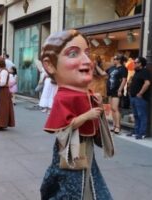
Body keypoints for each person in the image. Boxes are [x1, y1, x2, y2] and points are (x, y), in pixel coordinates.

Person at [40, 29, 114, 200]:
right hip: (72, 149)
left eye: (87, 53)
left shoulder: (85, 92)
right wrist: (87, 115)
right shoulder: (63, 96)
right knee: (72, 183)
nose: (87, 61)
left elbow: (95, 118)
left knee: (87, 178)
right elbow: (62, 129)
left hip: (85, 147)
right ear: (50, 65)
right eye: (73, 53)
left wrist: (96, 102)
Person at [96, 54, 128, 134]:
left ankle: (118, 127)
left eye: (115, 59)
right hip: (110, 90)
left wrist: (120, 90)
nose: (113, 60)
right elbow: (103, 73)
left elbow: (124, 80)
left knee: (115, 108)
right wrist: (96, 66)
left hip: (117, 90)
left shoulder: (123, 69)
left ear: (119, 60)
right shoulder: (112, 68)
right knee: (112, 109)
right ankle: (114, 126)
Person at [127, 57, 150, 139]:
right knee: (136, 115)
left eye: (136, 62)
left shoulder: (145, 72)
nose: (134, 63)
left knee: (142, 115)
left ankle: (142, 133)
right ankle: (136, 131)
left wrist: (140, 93)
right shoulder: (137, 72)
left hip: (140, 98)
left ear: (140, 63)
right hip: (133, 97)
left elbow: (147, 83)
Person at [0, 57, 15, 130]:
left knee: (2, 108)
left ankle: (1, 124)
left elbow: (2, 83)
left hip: (2, 92)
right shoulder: (0, 70)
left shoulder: (4, 71)